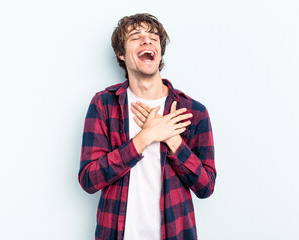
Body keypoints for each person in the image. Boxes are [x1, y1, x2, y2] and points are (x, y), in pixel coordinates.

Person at [78, 13, 216, 240]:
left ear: (159, 50)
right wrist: (145, 137)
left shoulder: (193, 112)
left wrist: (172, 140)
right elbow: (89, 180)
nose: (146, 41)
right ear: (120, 54)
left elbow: (206, 187)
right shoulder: (104, 104)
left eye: (153, 36)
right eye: (135, 37)